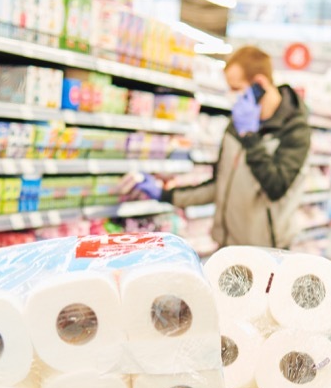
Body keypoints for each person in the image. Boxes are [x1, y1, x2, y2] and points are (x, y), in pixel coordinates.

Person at [120, 46, 311, 248]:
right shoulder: (236, 125)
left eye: (236, 88)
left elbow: (275, 186)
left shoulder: (295, 130)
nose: (231, 95)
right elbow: (219, 183)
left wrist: (250, 137)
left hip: (266, 251)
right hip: (226, 247)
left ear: (260, 85)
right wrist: (165, 194)